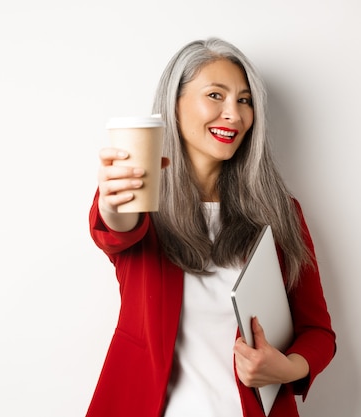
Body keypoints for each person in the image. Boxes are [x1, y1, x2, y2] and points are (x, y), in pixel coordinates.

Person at [87, 38, 336, 417]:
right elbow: (117, 229)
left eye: (244, 100)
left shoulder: (278, 211)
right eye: (216, 95)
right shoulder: (140, 200)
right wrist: (112, 200)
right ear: (175, 104)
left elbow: (317, 332)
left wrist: (285, 369)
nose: (233, 115)